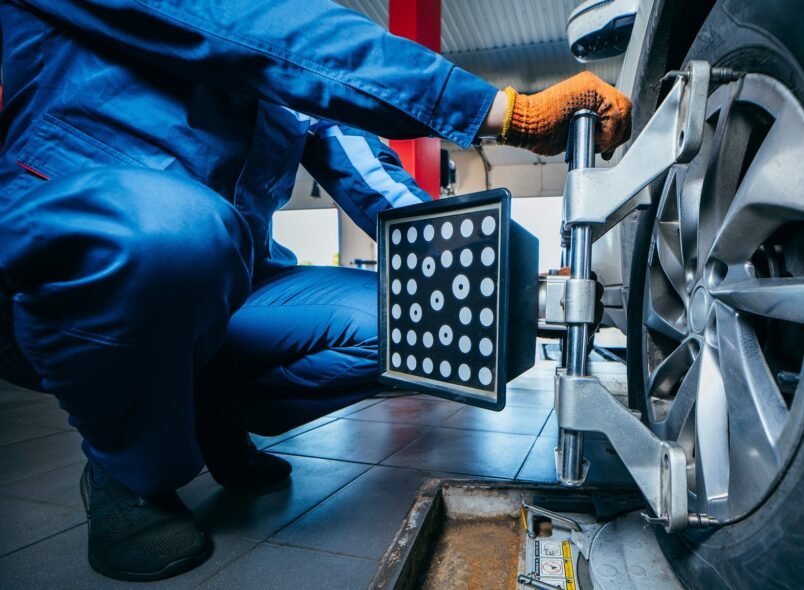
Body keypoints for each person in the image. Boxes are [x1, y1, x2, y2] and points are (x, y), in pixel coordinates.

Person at [0, 0, 631, 581]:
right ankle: (127, 472)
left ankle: (210, 412)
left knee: (415, 328)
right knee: (178, 235)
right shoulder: (265, 29)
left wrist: (487, 276)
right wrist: (504, 113)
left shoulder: (293, 80)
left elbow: (371, 178)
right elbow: (250, 29)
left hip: (233, 286)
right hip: (83, 266)